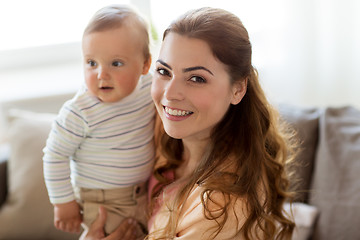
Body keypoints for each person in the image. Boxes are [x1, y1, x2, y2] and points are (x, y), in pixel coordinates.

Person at [84, 6, 298, 240]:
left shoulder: (220, 205)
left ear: (238, 89)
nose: (171, 93)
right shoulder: (159, 125)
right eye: (164, 71)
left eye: (196, 78)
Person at [42, 4, 155, 239]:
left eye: (116, 63)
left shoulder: (150, 89)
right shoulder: (79, 111)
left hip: (144, 193)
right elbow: (54, 155)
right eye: (91, 63)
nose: (101, 74)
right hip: (103, 201)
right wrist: (63, 203)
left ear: (145, 65)